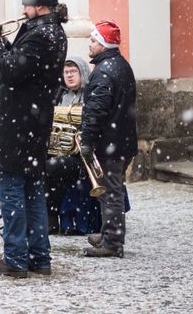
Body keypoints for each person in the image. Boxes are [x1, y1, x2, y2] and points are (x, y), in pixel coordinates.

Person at [0, 0, 67, 279]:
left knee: (12, 188)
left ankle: (15, 259)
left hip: (18, 123)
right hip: (32, 121)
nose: (23, 9)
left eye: (27, 4)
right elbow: (19, 65)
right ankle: (39, 257)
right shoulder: (52, 31)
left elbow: (11, 70)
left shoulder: (41, 34)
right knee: (32, 189)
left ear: (39, 6)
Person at [80, 19, 138, 258]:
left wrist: (87, 140)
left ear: (103, 44)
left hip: (110, 143)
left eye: (93, 40)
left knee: (110, 192)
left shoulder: (104, 71)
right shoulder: (120, 65)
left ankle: (112, 241)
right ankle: (107, 234)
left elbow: (97, 110)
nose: (90, 44)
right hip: (120, 140)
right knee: (110, 190)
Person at [46, 56, 100, 235]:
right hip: (60, 148)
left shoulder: (90, 94)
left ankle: (64, 217)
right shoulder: (60, 94)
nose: (69, 76)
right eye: (66, 72)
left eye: (73, 72)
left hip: (80, 154)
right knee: (41, 165)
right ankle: (50, 217)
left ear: (83, 72)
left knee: (53, 168)